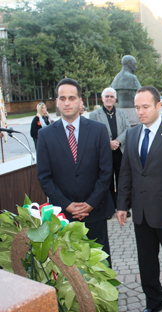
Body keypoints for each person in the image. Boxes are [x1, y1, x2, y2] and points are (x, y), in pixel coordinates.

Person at [116, 86, 162, 312]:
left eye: (145, 106)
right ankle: (153, 304)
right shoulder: (132, 134)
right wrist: (122, 206)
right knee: (147, 264)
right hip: (141, 213)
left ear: (159, 105)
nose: (140, 112)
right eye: (137, 107)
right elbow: (126, 172)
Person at [36, 78, 114, 265]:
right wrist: (67, 204)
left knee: (100, 262)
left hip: (95, 211)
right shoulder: (45, 135)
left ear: (80, 101)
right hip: (64, 213)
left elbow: (106, 171)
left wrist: (90, 203)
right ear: (56, 102)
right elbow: (44, 177)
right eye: (62, 98)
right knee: (70, 267)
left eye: (72, 98)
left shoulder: (99, 130)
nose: (67, 102)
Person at [89, 87, 131, 216]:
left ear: (115, 99)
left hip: (120, 151)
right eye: (106, 96)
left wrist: (117, 141)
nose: (109, 99)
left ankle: (122, 208)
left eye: (111, 96)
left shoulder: (122, 113)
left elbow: (128, 129)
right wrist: (108, 143)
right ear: (102, 98)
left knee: (121, 180)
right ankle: (109, 209)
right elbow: (93, 133)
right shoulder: (94, 115)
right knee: (106, 181)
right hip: (103, 152)